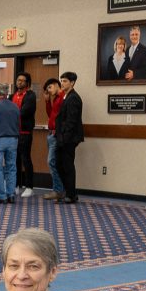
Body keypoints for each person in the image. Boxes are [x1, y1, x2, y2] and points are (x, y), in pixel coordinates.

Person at [54, 71, 84, 204]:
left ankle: (71, 195)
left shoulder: (73, 98)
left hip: (69, 138)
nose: (62, 83)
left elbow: (71, 121)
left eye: (65, 81)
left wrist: (64, 138)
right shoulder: (66, 96)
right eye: (62, 80)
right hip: (63, 137)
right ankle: (69, 192)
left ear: (72, 82)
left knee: (67, 166)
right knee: (59, 164)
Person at [11, 72, 36, 198]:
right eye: (18, 80)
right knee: (14, 160)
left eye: (22, 80)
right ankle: (15, 185)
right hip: (13, 133)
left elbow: (25, 112)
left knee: (26, 159)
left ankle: (29, 187)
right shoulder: (13, 95)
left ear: (27, 83)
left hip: (25, 132)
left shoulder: (30, 95)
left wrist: (12, 112)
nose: (19, 82)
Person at [42, 78, 65, 201]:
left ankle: (58, 190)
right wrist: (47, 102)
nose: (49, 91)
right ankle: (58, 190)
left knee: (51, 162)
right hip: (51, 134)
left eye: (50, 88)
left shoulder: (62, 97)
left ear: (57, 85)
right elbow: (51, 115)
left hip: (56, 135)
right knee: (54, 162)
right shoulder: (55, 99)